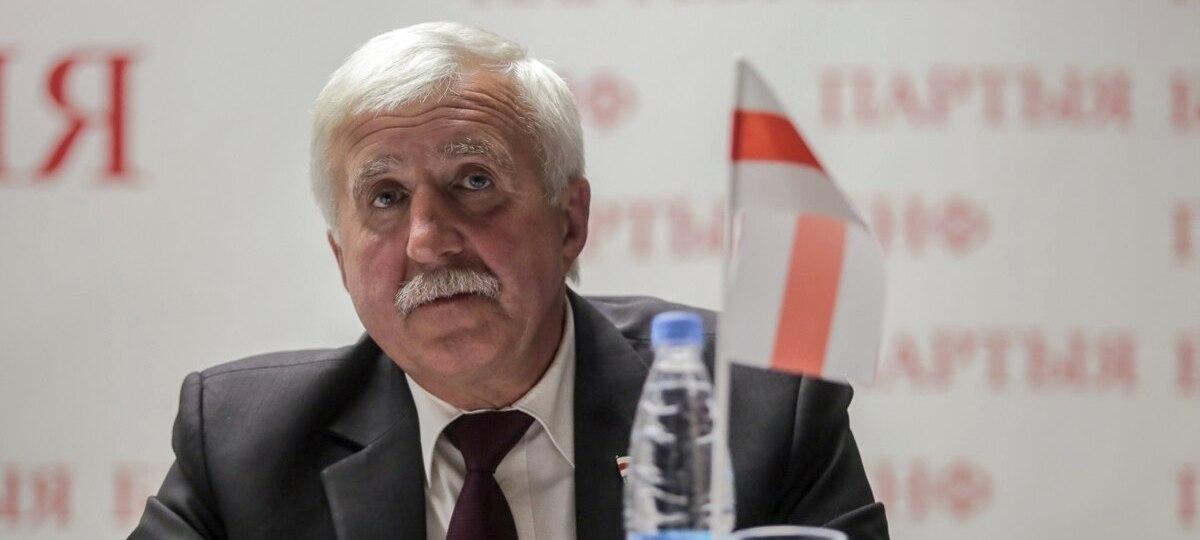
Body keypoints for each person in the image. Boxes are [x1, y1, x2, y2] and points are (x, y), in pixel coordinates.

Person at [129, 22, 888, 540]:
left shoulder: (760, 406)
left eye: (474, 180)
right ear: (341, 256)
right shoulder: (243, 445)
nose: (428, 240)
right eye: (385, 198)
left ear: (569, 221)